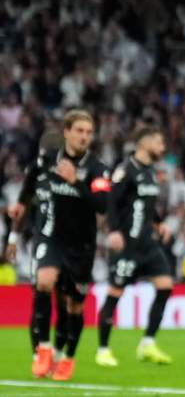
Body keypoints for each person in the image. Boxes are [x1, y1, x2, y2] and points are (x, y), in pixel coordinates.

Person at [7, 110, 111, 381]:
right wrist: (20, 202)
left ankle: (68, 358)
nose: (84, 137)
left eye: (89, 132)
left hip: (82, 247)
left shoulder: (98, 169)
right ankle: (43, 348)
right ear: (66, 132)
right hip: (50, 237)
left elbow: (102, 206)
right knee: (43, 282)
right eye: (79, 131)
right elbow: (30, 180)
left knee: (75, 307)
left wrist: (75, 181)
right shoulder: (47, 160)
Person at [97, 126, 175, 367]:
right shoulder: (125, 170)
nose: (163, 148)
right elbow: (111, 202)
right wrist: (114, 232)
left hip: (148, 244)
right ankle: (103, 349)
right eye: (159, 143)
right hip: (127, 244)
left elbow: (148, 206)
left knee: (165, 286)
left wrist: (160, 223)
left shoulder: (151, 172)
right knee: (115, 293)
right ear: (145, 143)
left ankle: (148, 344)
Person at [5, 130, 73, 370]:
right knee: (41, 293)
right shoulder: (35, 171)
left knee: (63, 301)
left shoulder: (71, 172)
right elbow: (21, 206)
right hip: (44, 241)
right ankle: (39, 353)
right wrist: (12, 238)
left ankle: (56, 352)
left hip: (69, 244)